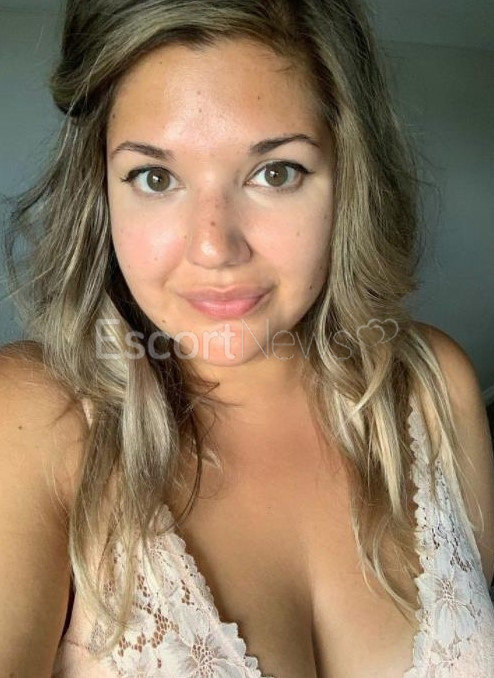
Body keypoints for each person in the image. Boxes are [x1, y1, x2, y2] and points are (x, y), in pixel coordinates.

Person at [1, 0, 493, 676]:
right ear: (102, 191)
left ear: (348, 181)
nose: (215, 248)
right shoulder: (32, 418)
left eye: (276, 172)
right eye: (155, 177)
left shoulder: (434, 387)